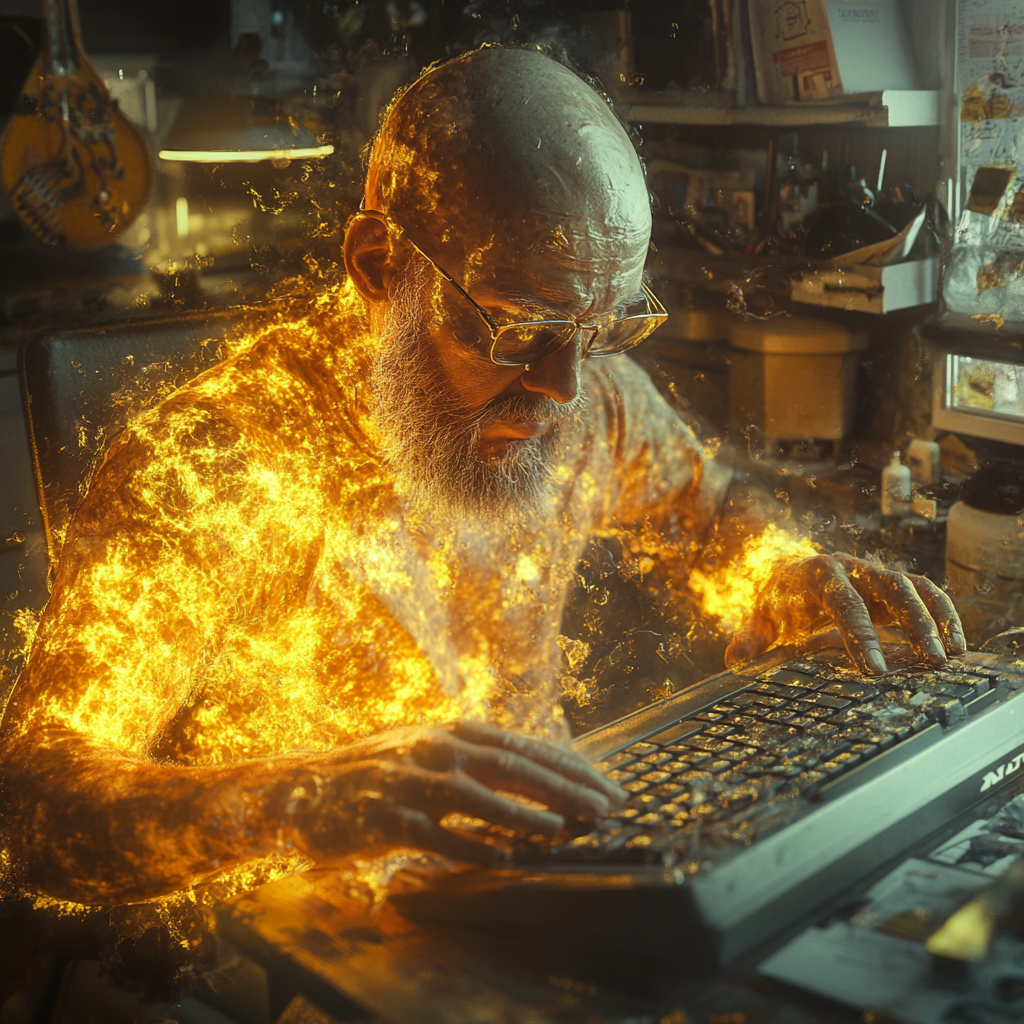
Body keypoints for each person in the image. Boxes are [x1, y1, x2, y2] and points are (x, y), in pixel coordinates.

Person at [0, 47, 964, 906]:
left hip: (541, 881)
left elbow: (705, 509)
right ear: (382, 267)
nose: (563, 387)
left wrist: (784, 570)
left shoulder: (583, 392)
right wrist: (304, 797)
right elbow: (36, 803)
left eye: (607, 328)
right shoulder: (217, 465)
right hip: (319, 928)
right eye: (518, 329)